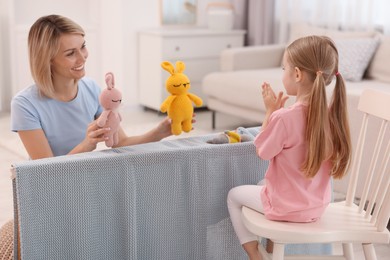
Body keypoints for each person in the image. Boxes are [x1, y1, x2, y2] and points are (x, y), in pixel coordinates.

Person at [1, 14, 194, 259]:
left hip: (88, 185)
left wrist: (161, 131)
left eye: (83, 46)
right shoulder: (25, 104)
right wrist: (86, 144)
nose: (82, 57)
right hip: (52, 195)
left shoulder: (92, 89)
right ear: (47, 59)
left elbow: (121, 143)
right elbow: (43, 173)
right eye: (70, 53)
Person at [227, 35, 352, 260]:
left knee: (234, 196)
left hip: (286, 208)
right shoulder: (333, 116)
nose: (282, 73)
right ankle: (274, 248)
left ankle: (255, 254)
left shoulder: (285, 118)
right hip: (316, 207)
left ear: (297, 74)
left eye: (284, 68)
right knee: (262, 183)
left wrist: (270, 113)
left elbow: (262, 150)